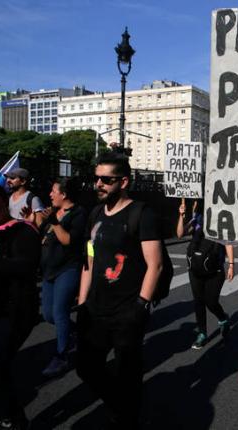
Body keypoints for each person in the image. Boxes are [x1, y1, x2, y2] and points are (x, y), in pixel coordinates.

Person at [76, 153, 163, 429]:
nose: (98, 184)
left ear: (123, 181)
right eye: (96, 178)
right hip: (96, 309)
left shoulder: (142, 214)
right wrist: (81, 303)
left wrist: (140, 305)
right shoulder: (95, 214)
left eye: (106, 180)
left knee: (128, 372)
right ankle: (119, 406)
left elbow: (156, 265)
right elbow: (89, 260)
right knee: (86, 367)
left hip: (127, 309)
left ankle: (127, 418)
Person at [0, 184, 40, 429]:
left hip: (14, 310)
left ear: (1, 202)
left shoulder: (21, 231)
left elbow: (26, 266)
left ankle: (13, 417)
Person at [39, 178, 87, 377]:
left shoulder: (78, 213)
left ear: (64, 194)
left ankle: (62, 357)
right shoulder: (52, 212)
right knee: (48, 315)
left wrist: (55, 223)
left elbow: (68, 240)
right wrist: (36, 221)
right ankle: (75, 332)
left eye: (53, 191)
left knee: (59, 312)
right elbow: (43, 234)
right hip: (48, 269)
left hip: (67, 269)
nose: (50, 195)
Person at [176, 199, 234, 349]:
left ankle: (223, 318)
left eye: (196, 202)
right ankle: (202, 333)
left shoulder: (221, 219)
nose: (194, 204)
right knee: (198, 302)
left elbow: (227, 242)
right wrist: (181, 216)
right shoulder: (196, 220)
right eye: (194, 202)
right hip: (195, 268)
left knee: (211, 301)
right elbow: (180, 234)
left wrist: (231, 265)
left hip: (215, 269)